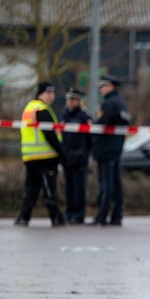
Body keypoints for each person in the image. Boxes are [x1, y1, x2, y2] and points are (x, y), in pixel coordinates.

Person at [15, 82, 68, 227]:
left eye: (53, 93)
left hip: (30, 157)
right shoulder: (42, 110)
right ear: (40, 94)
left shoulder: (29, 108)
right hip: (45, 157)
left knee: (30, 189)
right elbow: (50, 135)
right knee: (49, 189)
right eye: (48, 93)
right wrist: (62, 153)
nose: (52, 96)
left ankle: (23, 217)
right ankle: (56, 217)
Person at [88, 74, 130, 227]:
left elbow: (101, 125)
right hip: (116, 148)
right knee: (116, 183)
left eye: (102, 87)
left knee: (106, 184)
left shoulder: (108, 104)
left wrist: (92, 124)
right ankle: (117, 215)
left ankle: (102, 216)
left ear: (110, 86)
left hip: (105, 148)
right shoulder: (121, 103)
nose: (101, 90)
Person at [61, 87, 93, 224]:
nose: (70, 102)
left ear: (79, 101)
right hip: (67, 157)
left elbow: (90, 138)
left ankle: (78, 215)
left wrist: (86, 154)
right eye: (68, 99)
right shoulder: (64, 115)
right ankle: (69, 213)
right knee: (69, 188)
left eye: (72, 99)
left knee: (79, 189)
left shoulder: (84, 117)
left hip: (79, 158)